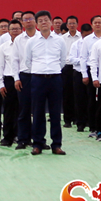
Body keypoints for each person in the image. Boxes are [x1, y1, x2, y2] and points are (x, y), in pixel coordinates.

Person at [25, 11, 67, 155]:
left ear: (51, 22)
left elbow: (62, 60)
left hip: (55, 78)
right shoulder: (31, 41)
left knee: (55, 113)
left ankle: (56, 144)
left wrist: (52, 70)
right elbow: (28, 61)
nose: (44, 23)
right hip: (38, 79)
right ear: (37, 24)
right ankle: (37, 143)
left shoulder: (60, 41)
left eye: (46, 20)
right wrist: (39, 70)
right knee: (38, 112)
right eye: (41, 21)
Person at [12, 11, 40, 150]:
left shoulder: (42, 37)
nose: (28, 21)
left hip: (40, 75)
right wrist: (16, 78)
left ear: (35, 21)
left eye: (30, 18)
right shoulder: (19, 39)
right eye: (25, 19)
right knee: (24, 110)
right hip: (24, 77)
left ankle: (39, 140)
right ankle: (23, 139)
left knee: (38, 110)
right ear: (22, 23)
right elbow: (15, 60)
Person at [0, 19, 22, 146]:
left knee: (23, 109)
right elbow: (0, 66)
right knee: (8, 110)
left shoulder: (27, 45)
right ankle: (7, 137)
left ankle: (23, 136)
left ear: (21, 30)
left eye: (17, 29)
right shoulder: (4, 47)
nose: (15, 31)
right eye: (12, 29)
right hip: (9, 80)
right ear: (9, 31)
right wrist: (1, 84)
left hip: (23, 79)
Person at [68, 23, 92, 132]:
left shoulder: (93, 43)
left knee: (91, 98)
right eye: (85, 35)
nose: (87, 38)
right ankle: (80, 123)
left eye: (89, 35)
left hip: (91, 72)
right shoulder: (76, 44)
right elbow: (71, 59)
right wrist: (83, 61)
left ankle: (90, 122)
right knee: (79, 98)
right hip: (78, 72)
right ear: (81, 34)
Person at [60, 16, 81, 128]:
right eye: (70, 23)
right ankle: (67, 119)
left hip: (79, 67)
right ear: (67, 25)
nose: (72, 25)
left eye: (74, 23)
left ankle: (78, 119)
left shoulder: (82, 37)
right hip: (66, 67)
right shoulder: (62, 38)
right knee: (67, 94)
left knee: (78, 93)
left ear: (77, 24)